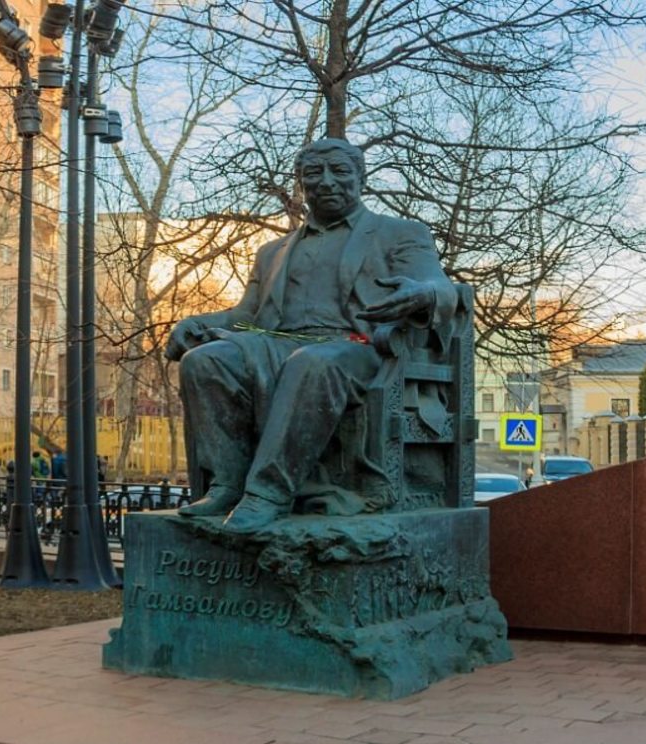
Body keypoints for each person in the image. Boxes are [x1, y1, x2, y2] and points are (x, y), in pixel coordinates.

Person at [165, 137, 459, 533]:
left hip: (357, 346)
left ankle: (268, 493)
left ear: (361, 178)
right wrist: (197, 324)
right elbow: (246, 316)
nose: (326, 181)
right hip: (278, 344)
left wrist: (424, 294)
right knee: (204, 360)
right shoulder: (273, 251)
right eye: (313, 174)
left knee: (312, 362)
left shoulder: (399, 233)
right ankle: (228, 484)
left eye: (339, 171)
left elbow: (440, 286)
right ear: (301, 184)